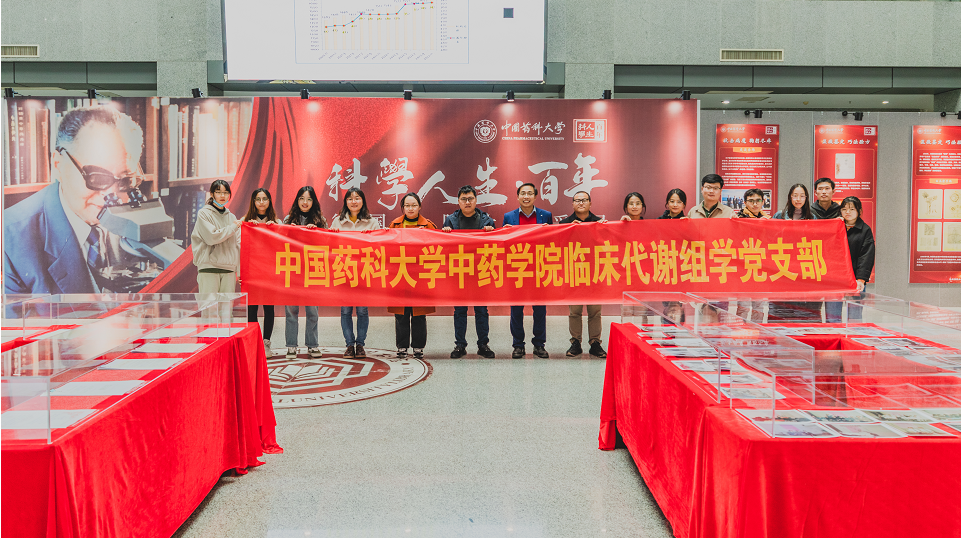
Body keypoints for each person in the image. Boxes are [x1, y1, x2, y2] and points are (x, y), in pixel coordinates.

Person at [3, 105, 145, 294]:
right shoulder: (9, 241)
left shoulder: (139, 216)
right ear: (58, 164)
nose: (111, 194)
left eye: (125, 179)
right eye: (96, 177)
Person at [441, 186, 497, 359]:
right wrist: (445, 233)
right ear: (458, 201)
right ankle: (460, 345)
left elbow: (496, 246)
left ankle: (483, 344)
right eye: (464, 199)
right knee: (460, 310)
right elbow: (443, 247)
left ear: (476, 200)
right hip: (459, 272)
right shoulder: (450, 221)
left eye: (470, 198)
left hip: (481, 271)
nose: (467, 202)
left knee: (482, 310)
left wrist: (491, 232)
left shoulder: (487, 220)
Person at [329, 187, 381, 358]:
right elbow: (329, 246)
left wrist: (372, 237)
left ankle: (360, 345)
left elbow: (380, 245)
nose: (354, 202)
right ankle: (349, 345)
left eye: (357, 198)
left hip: (363, 273)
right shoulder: (337, 222)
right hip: (344, 272)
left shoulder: (372, 222)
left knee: (362, 311)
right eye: (350, 199)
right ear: (346, 202)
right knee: (345, 311)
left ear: (363, 201)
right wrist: (332, 235)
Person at [502, 183, 553, 359]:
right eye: (523, 193)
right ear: (517, 197)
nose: (526, 196)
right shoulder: (509, 216)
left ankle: (539, 344)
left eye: (529, 193)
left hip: (538, 268)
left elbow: (552, 241)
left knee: (540, 310)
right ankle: (518, 345)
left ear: (535, 196)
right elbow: (503, 243)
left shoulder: (546, 215)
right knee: (516, 310)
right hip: (517, 268)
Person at [388, 193, 437, 359]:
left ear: (419, 206)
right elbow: (388, 248)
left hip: (420, 275)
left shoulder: (428, 225)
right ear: (403, 207)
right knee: (401, 314)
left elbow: (437, 249)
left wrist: (426, 236)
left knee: (419, 314)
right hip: (400, 274)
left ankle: (418, 347)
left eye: (414, 205)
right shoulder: (395, 224)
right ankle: (402, 347)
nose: (410, 208)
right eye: (407, 205)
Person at [560, 191, 607, 358]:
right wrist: (568, 230)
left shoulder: (600, 223)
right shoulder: (564, 224)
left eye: (584, 200)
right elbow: (558, 247)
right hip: (574, 273)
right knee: (575, 312)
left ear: (590, 203)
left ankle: (595, 343)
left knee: (595, 312)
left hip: (595, 273)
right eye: (577, 200)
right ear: (572, 204)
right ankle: (575, 342)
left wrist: (604, 228)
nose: (581, 203)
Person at [282, 186, 327, 359]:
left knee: (312, 311)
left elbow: (328, 244)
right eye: (302, 198)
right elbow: (278, 243)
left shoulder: (320, 220)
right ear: (297, 200)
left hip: (312, 271)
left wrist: (317, 233)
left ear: (313, 201)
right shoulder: (288, 220)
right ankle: (291, 346)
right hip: (292, 271)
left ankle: (312, 345)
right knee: (291, 311)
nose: (305, 202)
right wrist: (289, 232)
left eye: (309, 199)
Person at [242, 188, 282, 357]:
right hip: (251, 271)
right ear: (253, 201)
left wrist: (275, 230)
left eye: (264, 199)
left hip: (269, 272)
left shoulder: (276, 222)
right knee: (251, 308)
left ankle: (266, 343)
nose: (261, 202)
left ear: (269, 201)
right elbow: (239, 247)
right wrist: (240, 272)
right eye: (258, 199)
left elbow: (282, 246)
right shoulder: (245, 221)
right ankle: (253, 342)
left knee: (268, 308)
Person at [827, 196, 876, 322]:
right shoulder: (835, 227)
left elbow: (866, 256)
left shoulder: (865, 230)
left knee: (854, 317)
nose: (847, 212)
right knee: (832, 316)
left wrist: (861, 279)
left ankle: (854, 334)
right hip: (835, 279)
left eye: (852, 209)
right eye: (844, 209)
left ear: (859, 211)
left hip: (855, 279)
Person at [191, 180, 241, 296]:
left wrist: (239, 271)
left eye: (226, 192)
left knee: (227, 306)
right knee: (209, 306)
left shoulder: (232, 217)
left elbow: (238, 245)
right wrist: (233, 227)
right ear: (212, 194)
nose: (222, 196)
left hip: (229, 270)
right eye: (218, 192)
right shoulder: (204, 214)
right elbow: (211, 238)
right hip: (209, 268)